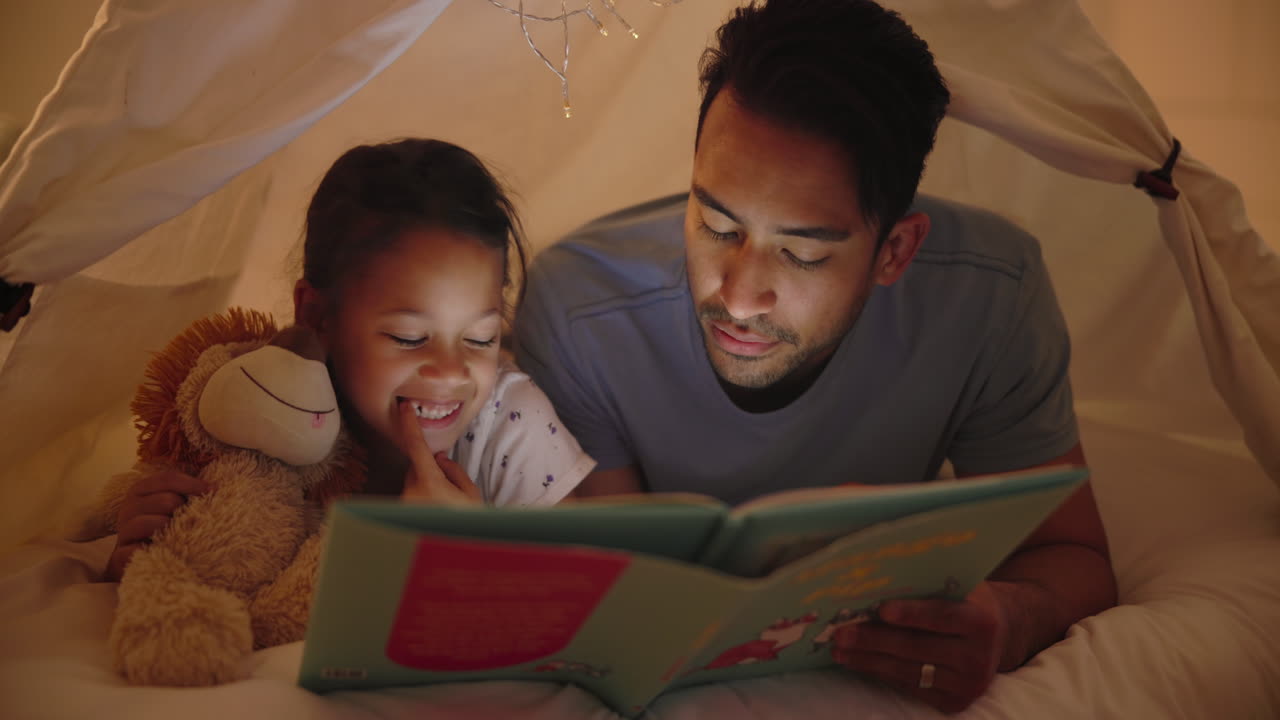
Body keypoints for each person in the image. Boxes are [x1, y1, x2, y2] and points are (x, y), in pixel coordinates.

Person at [512, 0, 1115, 713]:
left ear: (895, 250)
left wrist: (1013, 619)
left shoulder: (991, 297)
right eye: (714, 224)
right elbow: (618, 586)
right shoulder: (582, 310)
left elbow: (1077, 561)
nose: (737, 298)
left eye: (801, 255)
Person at [105, 138, 595, 581]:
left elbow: (579, 589)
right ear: (317, 315)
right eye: (408, 338)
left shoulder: (511, 425)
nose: (450, 372)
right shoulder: (262, 408)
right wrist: (146, 544)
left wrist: (461, 553)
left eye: (481, 338)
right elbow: (195, 559)